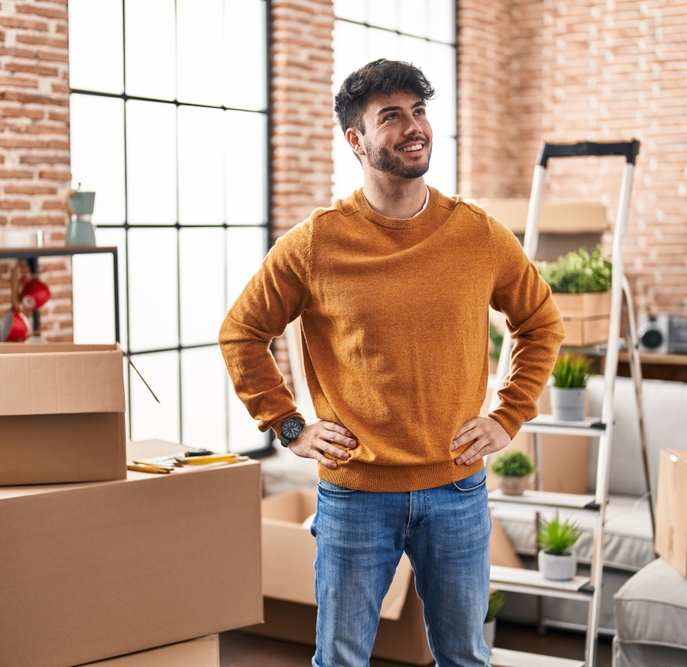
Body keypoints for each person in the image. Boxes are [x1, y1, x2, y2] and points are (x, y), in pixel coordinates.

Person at [219, 59, 564, 667]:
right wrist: (289, 425)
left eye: (420, 111)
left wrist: (509, 416)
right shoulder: (316, 243)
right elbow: (241, 332)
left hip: (456, 487)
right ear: (356, 140)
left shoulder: (478, 234)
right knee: (341, 659)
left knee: (464, 658)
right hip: (355, 495)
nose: (414, 127)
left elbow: (540, 323)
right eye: (392, 116)